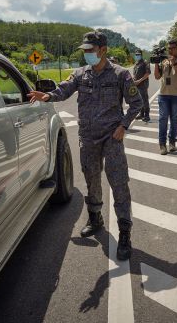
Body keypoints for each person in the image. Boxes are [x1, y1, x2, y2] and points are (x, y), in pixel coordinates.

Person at [28, 31, 142, 261]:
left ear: (103, 50)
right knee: (91, 178)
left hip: (112, 137)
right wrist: (47, 96)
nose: (87, 54)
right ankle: (95, 217)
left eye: (91, 50)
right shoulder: (80, 74)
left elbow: (136, 103)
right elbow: (63, 91)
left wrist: (123, 126)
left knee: (118, 182)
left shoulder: (120, 74)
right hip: (88, 137)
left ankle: (125, 232)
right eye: (85, 51)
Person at [153, 39, 177, 155]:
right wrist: (156, 63)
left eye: (172, 48)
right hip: (163, 94)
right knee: (163, 119)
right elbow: (157, 77)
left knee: (174, 120)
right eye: (169, 48)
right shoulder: (163, 60)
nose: (170, 50)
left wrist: (174, 63)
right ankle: (162, 144)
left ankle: (172, 142)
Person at [132, 49, 151, 122]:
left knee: (145, 100)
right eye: (136, 54)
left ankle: (147, 115)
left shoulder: (145, 63)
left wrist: (139, 81)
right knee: (139, 100)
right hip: (136, 84)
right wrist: (134, 79)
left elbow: (148, 73)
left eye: (138, 54)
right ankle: (141, 114)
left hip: (143, 85)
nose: (137, 55)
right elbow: (135, 74)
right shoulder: (136, 63)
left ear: (141, 55)